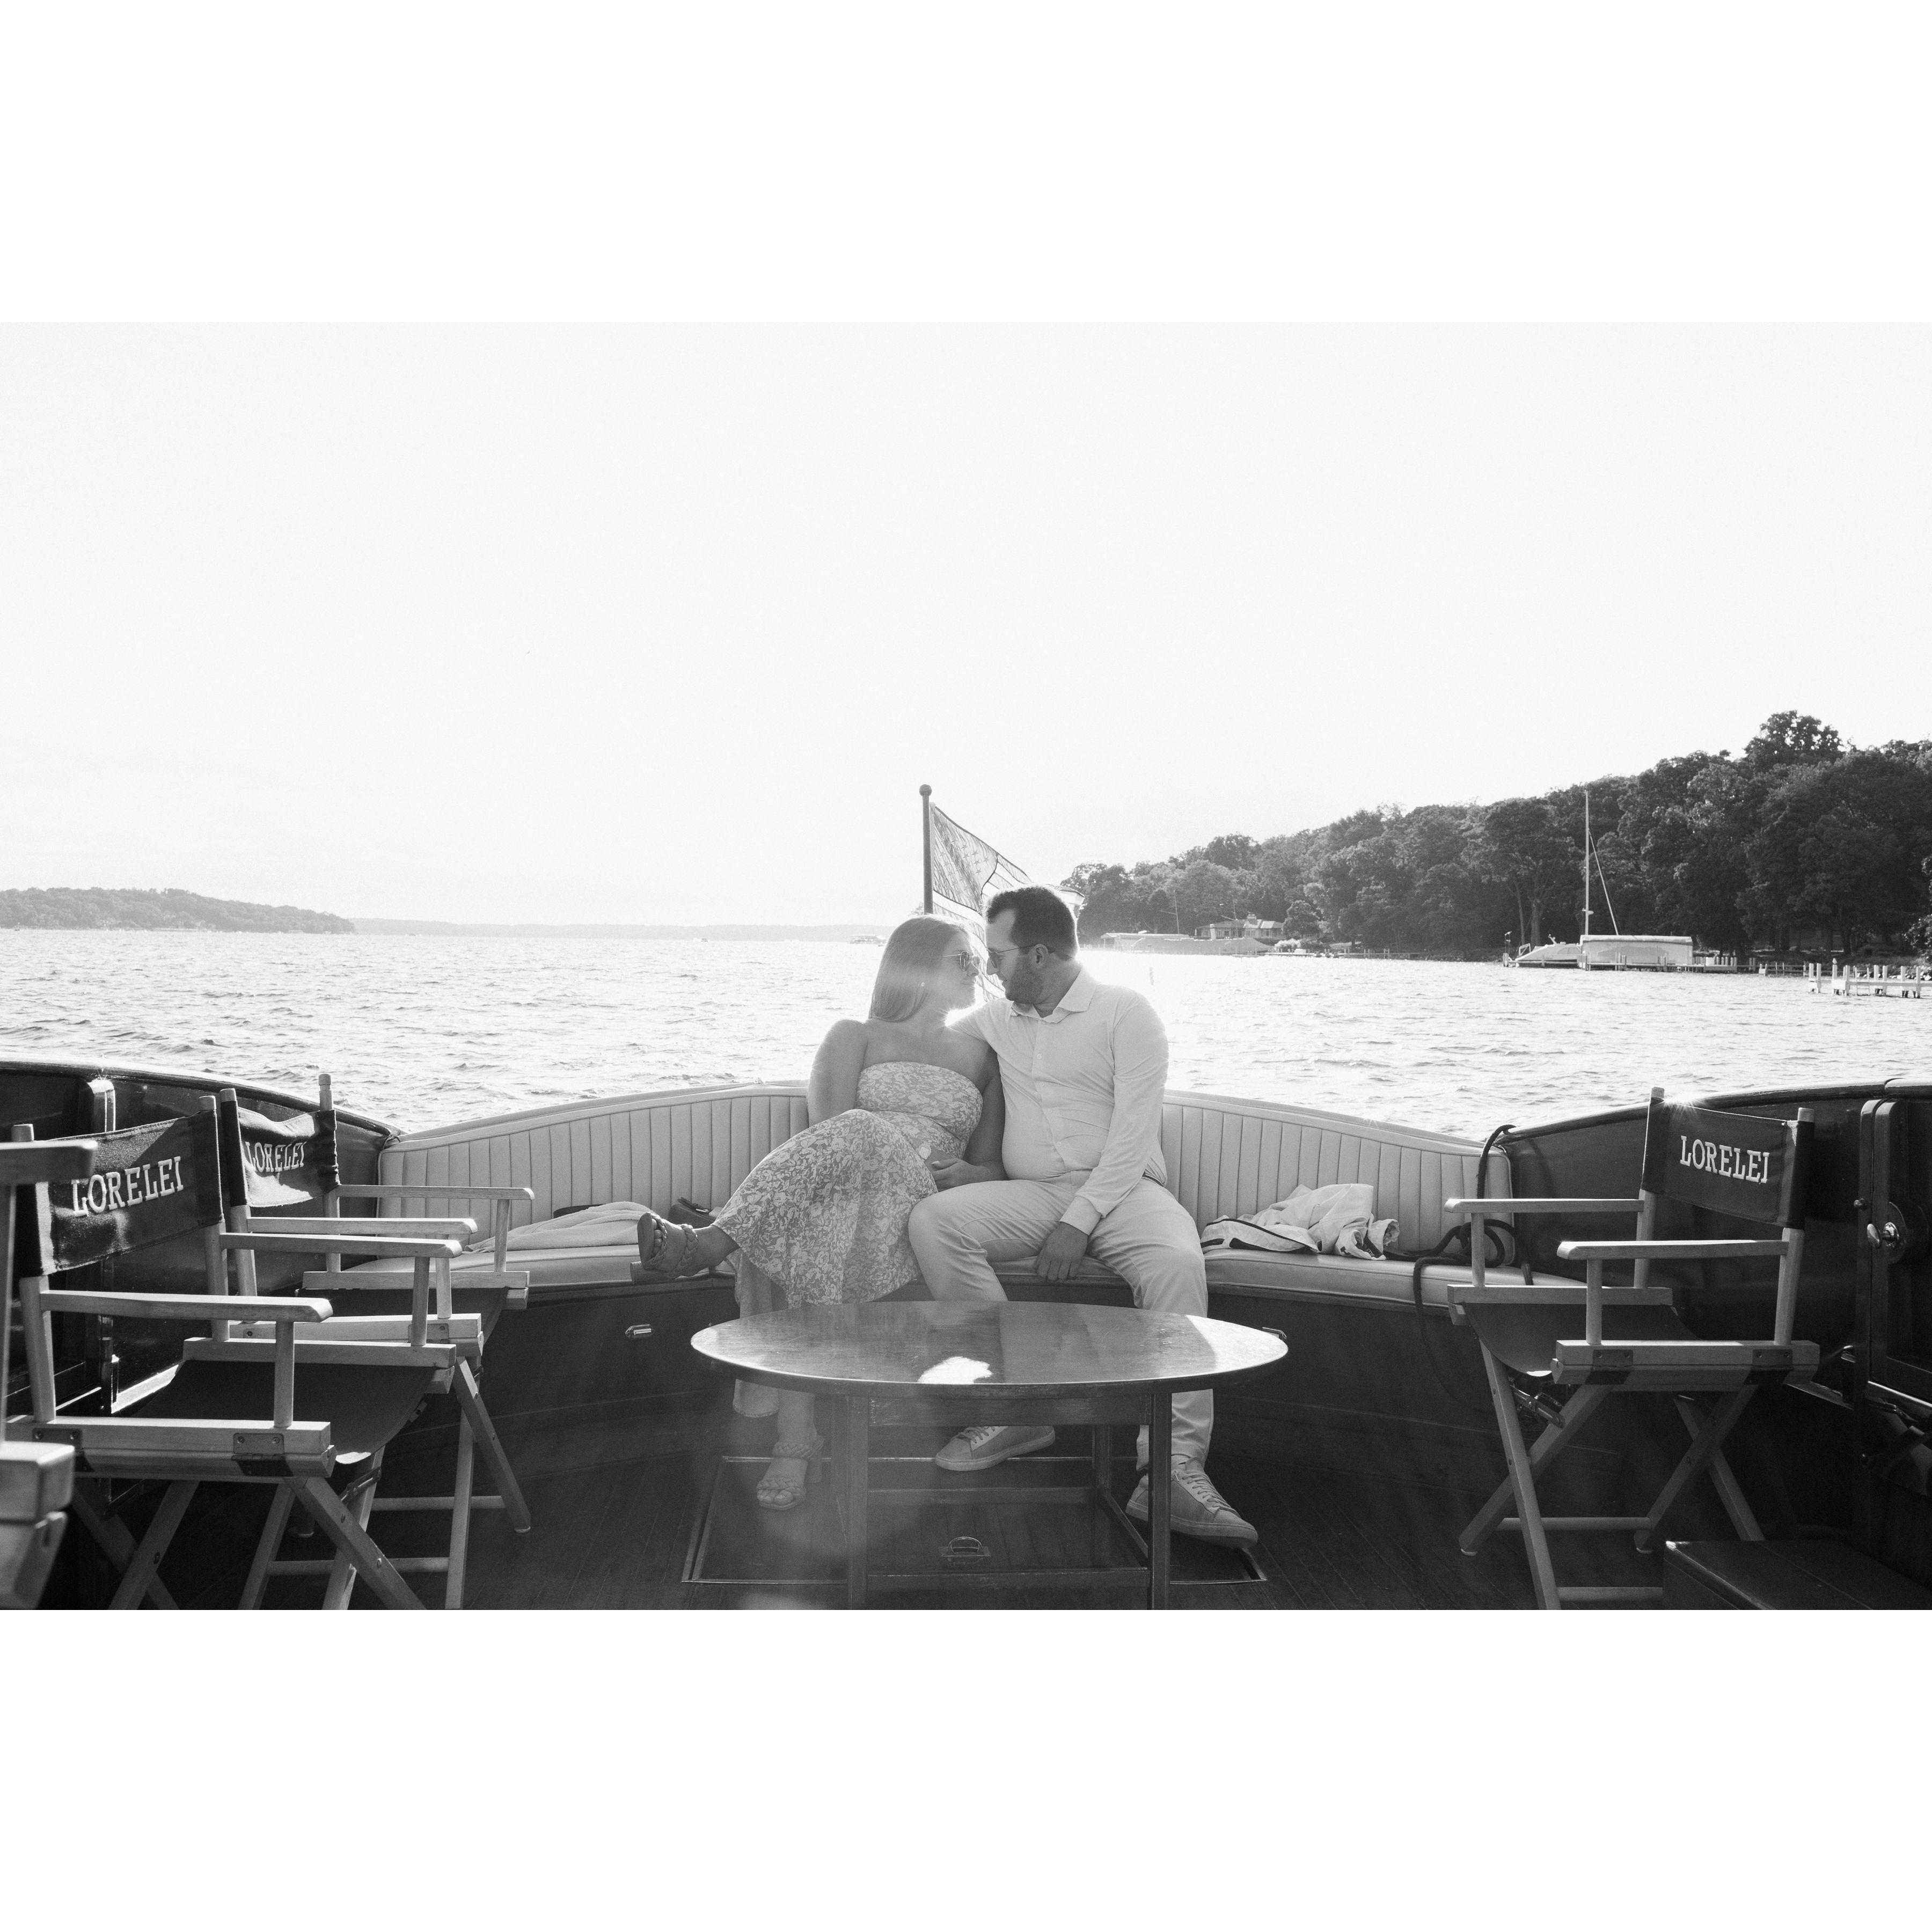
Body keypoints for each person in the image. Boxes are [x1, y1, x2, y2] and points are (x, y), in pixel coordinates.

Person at [907, 885, 1257, 1547]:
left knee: (1179, 1265)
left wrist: (1079, 1223)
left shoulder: (1128, 1012)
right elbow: (922, 1042)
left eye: (998, 956)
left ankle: (1173, 1469)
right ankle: (1017, 1410)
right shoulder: (996, 1018)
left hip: (1127, 1193)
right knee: (934, 1221)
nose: (991, 969)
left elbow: (1132, 1137)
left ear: (1039, 955)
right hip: (1035, 1193)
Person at [633, 916, 1004, 1510]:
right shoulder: (854, 1035)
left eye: (976, 959)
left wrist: (969, 1174)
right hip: (849, 1199)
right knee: (826, 1201)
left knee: (846, 1154)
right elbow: (826, 1138)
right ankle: (796, 1436)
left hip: (923, 1207)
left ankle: (713, 1244)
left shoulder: (985, 1059)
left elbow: (991, 1167)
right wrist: (882, 1145)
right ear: (916, 966)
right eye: (962, 959)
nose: (975, 970)